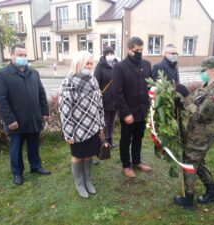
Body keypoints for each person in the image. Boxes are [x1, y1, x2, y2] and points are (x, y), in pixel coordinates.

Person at [173, 56, 214, 210]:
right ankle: (212, 191)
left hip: (202, 135)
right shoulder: (207, 85)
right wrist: (182, 103)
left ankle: (188, 199)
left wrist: (186, 98)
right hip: (196, 133)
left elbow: (199, 115)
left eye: (203, 70)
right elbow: (194, 100)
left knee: (190, 163)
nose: (201, 73)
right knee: (198, 163)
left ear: (213, 70)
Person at [0, 43, 50, 186]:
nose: (23, 58)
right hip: (16, 121)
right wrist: (9, 119)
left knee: (33, 145)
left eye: (25, 55)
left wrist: (44, 111)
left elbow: (41, 93)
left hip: (33, 118)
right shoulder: (2, 75)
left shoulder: (33, 73)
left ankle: (35, 166)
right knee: (16, 148)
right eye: (20, 55)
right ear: (12, 56)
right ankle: (17, 173)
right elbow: (0, 99)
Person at [59, 51, 106, 198]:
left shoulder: (93, 80)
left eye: (91, 63)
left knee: (88, 155)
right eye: (87, 63)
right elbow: (64, 110)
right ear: (78, 64)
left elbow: (99, 104)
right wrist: (68, 133)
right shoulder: (69, 82)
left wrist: (101, 124)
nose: (90, 66)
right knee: (78, 156)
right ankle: (79, 183)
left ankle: (87, 180)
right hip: (76, 129)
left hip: (92, 127)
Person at [112, 36, 152, 178]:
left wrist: (154, 91)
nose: (139, 52)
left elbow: (150, 84)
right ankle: (126, 165)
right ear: (129, 50)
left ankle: (136, 162)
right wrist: (126, 112)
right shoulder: (120, 67)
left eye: (141, 50)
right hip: (128, 112)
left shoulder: (147, 64)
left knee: (138, 138)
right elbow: (117, 92)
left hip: (142, 110)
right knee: (126, 139)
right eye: (136, 50)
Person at [94, 47, 118, 149]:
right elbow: (95, 84)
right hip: (104, 100)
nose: (110, 55)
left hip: (115, 100)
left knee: (111, 121)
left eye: (111, 53)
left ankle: (110, 139)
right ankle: (104, 142)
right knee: (105, 122)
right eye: (108, 53)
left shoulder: (117, 65)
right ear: (104, 55)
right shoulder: (99, 67)